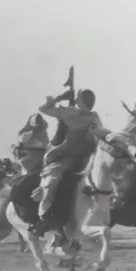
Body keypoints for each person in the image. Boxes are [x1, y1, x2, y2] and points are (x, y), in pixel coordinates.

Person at [30, 88, 101, 235]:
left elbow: (101, 134)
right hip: (65, 154)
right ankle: (44, 217)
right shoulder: (67, 112)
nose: (76, 100)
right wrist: (59, 97)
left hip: (87, 155)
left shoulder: (94, 117)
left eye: (78, 98)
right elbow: (43, 108)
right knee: (52, 179)